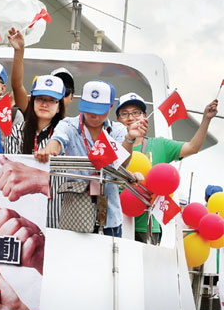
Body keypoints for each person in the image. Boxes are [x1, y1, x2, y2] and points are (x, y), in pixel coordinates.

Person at [35, 80, 148, 237]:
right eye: (89, 109)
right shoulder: (69, 125)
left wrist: (130, 139)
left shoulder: (117, 130)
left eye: (99, 110)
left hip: (109, 217)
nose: (94, 115)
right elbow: (58, 140)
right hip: (75, 215)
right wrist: (47, 151)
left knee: (108, 260)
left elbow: (122, 163)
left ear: (110, 107)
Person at [116, 93, 219, 243]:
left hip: (149, 226)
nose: (130, 118)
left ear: (145, 115)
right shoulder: (113, 145)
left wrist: (206, 120)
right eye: (124, 114)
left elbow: (192, 147)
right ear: (118, 119)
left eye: (136, 113)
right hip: (117, 221)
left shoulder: (160, 144)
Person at [4, 74, 66, 227]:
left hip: (57, 212)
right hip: (23, 210)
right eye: (40, 99)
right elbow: (12, 169)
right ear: (32, 101)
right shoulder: (18, 131)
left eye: (51, 100)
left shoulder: (66, 133)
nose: (44, 104)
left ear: (59, 107)